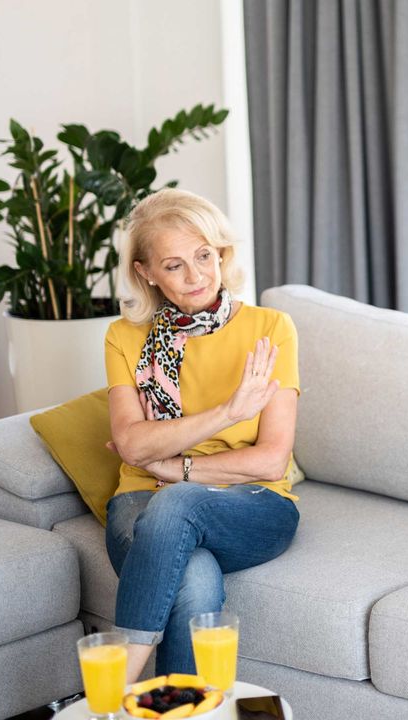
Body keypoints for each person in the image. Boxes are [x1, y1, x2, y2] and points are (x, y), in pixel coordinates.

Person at [103, 188, 302, 681]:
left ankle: (112, 687)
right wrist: (228, 413)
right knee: (194, 574)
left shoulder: (271, 328)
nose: (196, 277)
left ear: (220, 254)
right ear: (145, 271)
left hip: (254, 505)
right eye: (174, 265)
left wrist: (174, 468)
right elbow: (131, 446)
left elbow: (271, 461)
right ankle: (181, 711)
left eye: (204, 256)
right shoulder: (124, 337)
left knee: (178, 500)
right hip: (138, 502)